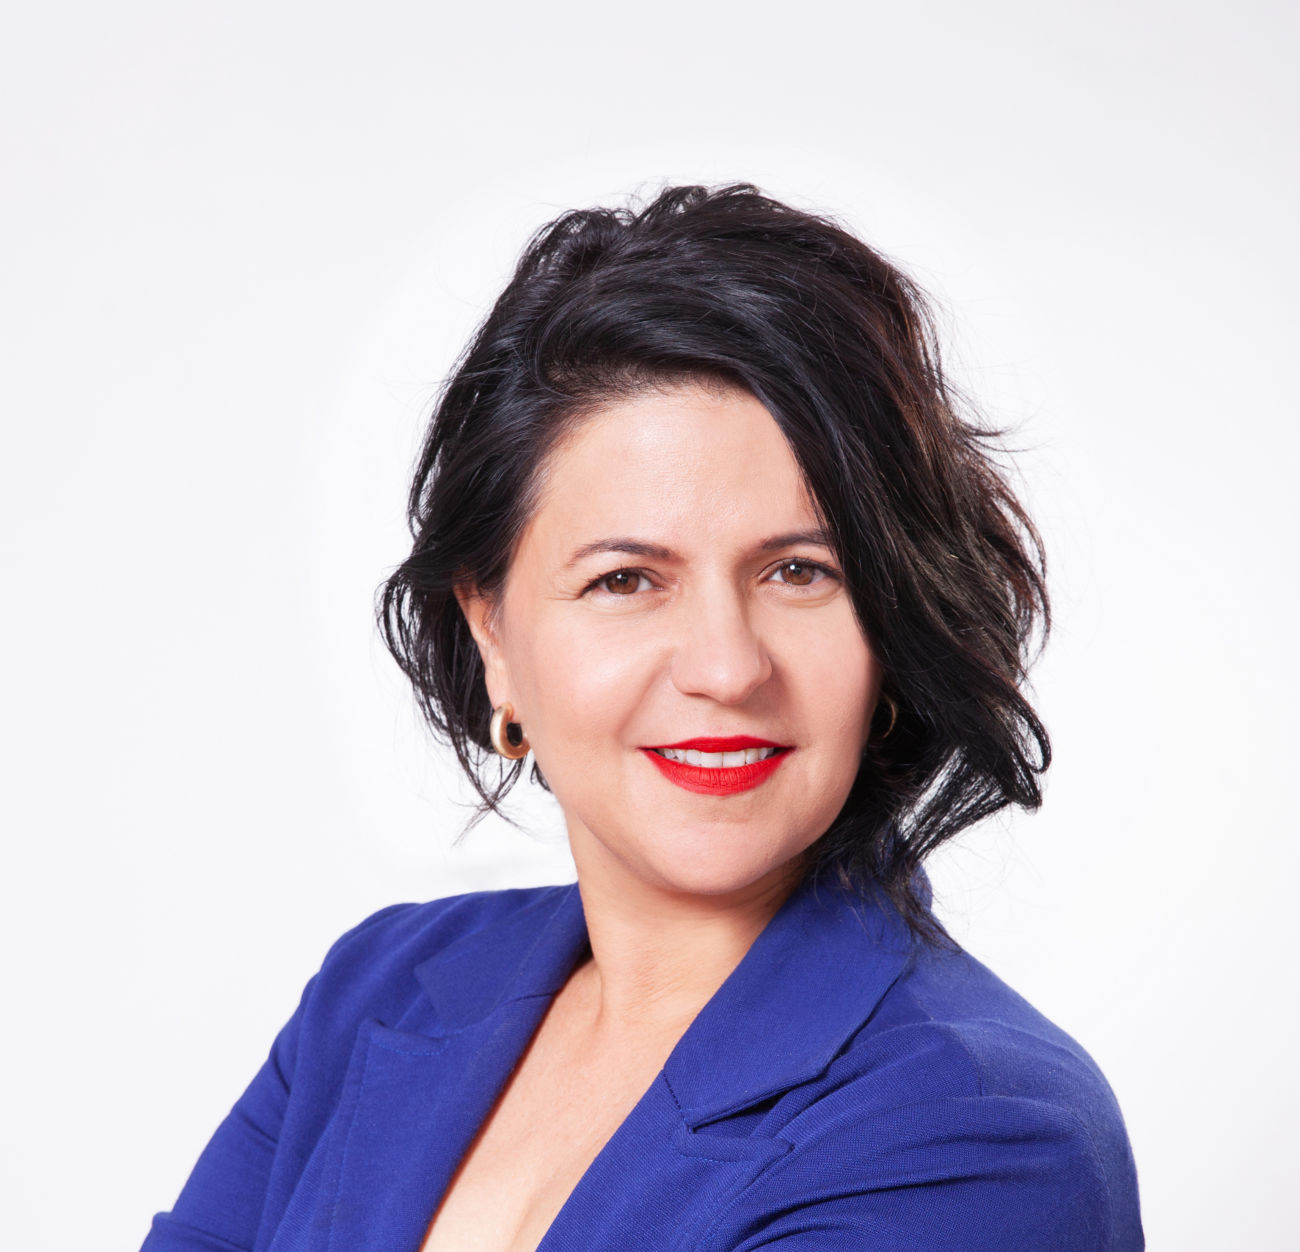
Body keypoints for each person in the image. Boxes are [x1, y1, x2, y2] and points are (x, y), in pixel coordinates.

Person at [140, 183, 1144, 1251]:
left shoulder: (981, 1133)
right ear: (493, 636)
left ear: (890, 625)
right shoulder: (378, 993)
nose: (726, 666)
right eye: (625, 580)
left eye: (800, 572)